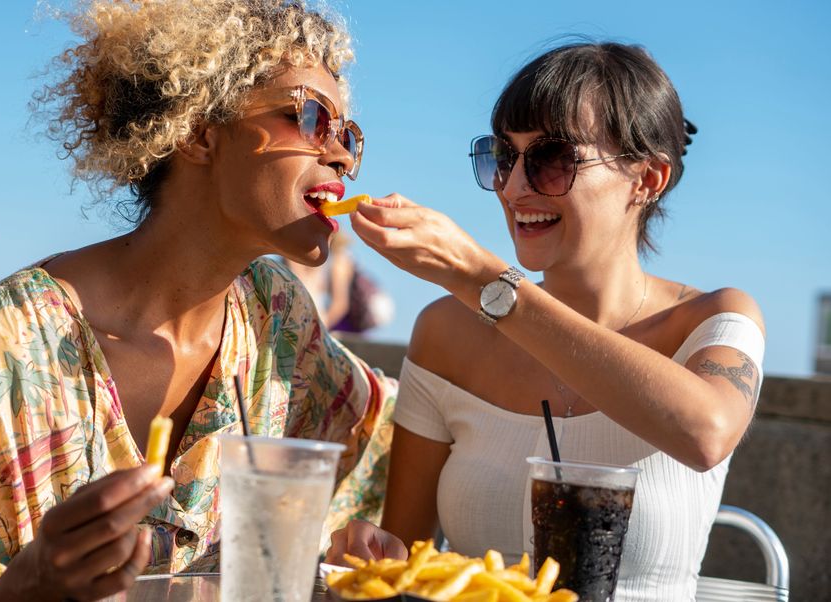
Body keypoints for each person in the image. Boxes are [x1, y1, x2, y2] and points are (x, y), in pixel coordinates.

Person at [0, 1, 396, 600]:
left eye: (347, 135)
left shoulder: (274, 318)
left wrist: (475, 284)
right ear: (199, 134)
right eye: (309, 117)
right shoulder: (5, 347)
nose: (340, 156)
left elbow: (391, 430)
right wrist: (32, 585)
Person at [327, 42, 765, 602]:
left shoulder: (714, 319)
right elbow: (406, 556)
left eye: (553, 158)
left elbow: (705, 433)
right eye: (503, 157)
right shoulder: (445, 334)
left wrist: (482, 280)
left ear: (647, 179)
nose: (513, 188)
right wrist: (369, 550)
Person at [283, 229, 356, 329]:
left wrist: (320, 328)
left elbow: (340, 303)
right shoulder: (294, 252)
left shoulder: (337, 261)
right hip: (305, 321)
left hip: (319, 321)